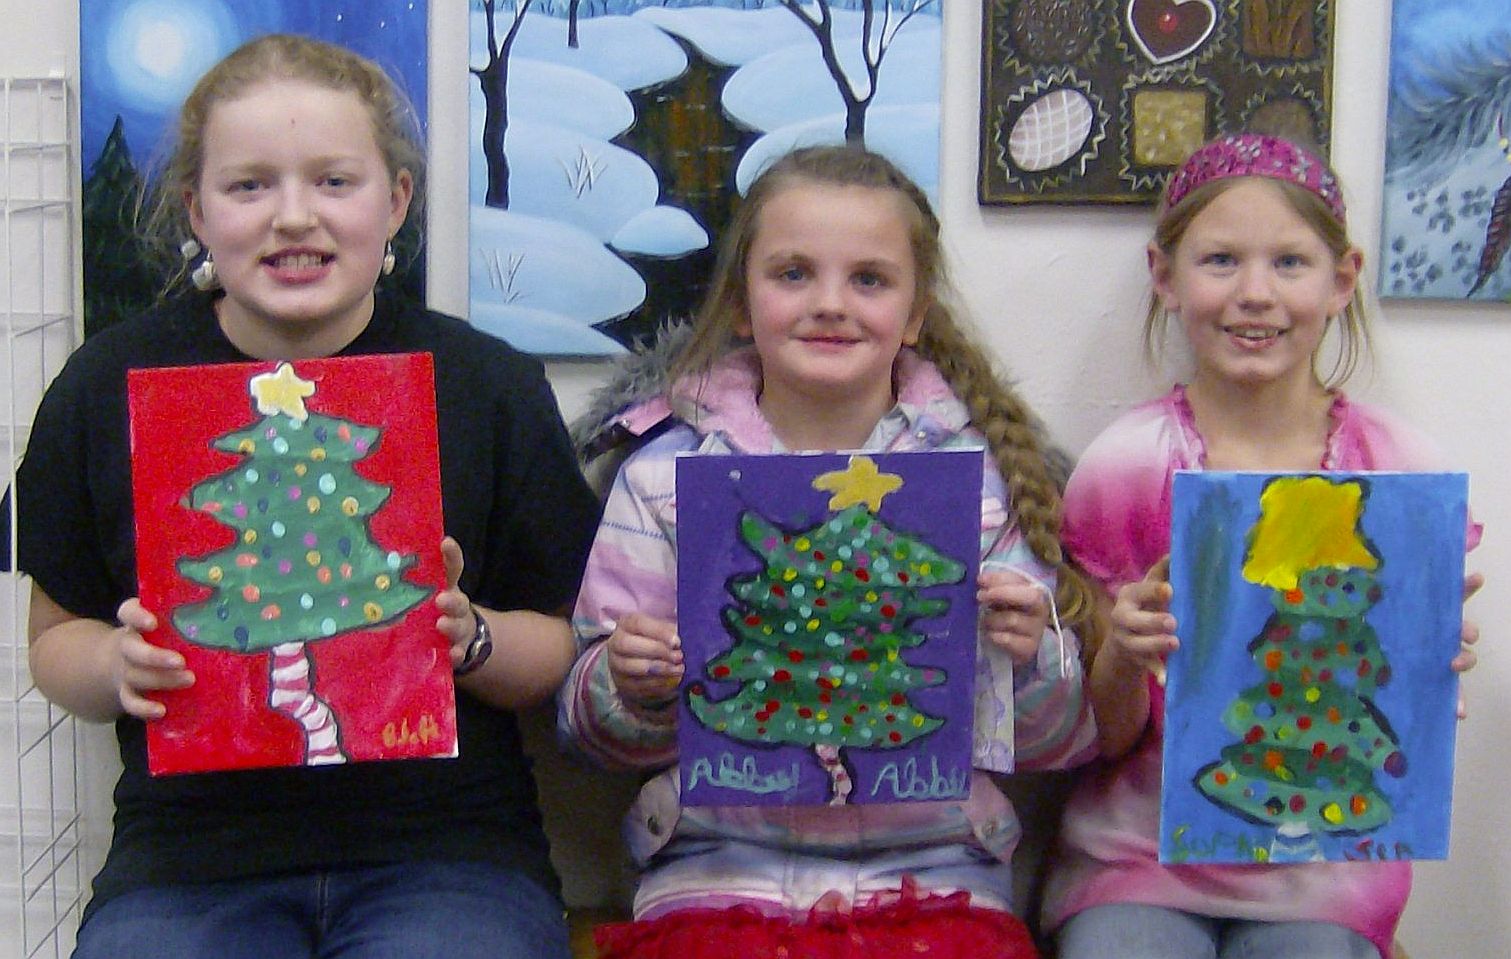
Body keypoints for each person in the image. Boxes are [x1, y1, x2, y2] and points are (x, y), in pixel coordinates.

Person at [0, 34, 597, 959]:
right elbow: (53, 642)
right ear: (196, 210)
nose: (293, 217)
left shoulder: (488, 384)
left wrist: (467, 634)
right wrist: (114, 664)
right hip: (192, 859)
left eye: (333, 181)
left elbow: (557, 645)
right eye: (249, 186)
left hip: (444, 849)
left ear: (395, 201)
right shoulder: (105, 383)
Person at [558, 144, 1100, 959]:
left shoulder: (979, 486)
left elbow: (1058, 742)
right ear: (742, 304)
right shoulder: (665, 478)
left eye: (869, 280)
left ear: (914, 316)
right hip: (715, 873)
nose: (830, 304)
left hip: (935, 873)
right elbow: (587, 736)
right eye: (793, 274)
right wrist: (629, 685)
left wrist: (1026, 661)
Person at [1038, 132, 1485, 959]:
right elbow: (1106, 735)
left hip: (1328, 865)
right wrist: (1124, 654)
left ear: (1341, 280)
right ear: (1164, 276)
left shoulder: (1397, 470)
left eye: (1288, 262)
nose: (1254, 293)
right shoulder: (1128, 465)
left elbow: (1403, 718)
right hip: (1140, 855)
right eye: (1219, 261)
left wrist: (1426, 668)